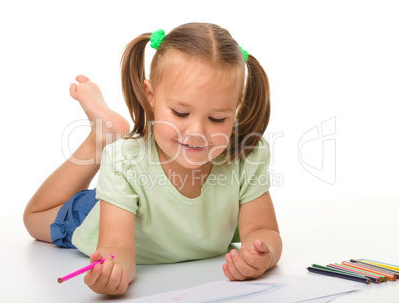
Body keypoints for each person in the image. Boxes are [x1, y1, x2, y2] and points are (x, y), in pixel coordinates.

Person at [23, 22, 282, 295]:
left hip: (143, 207)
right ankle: (100, 139)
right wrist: (114, 271)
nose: (198, 134)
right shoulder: (126, 162)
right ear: (150, 96)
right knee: (34, 218)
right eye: (181, 113)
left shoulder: (247, 155)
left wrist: (263, 254)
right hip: (108, 211)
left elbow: (264, 230)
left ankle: (108, 134)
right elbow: (118, 249)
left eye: (217, 118)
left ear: (236, 107)